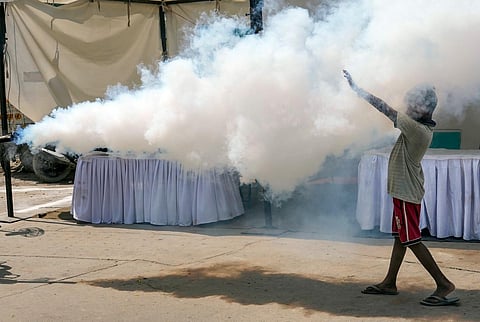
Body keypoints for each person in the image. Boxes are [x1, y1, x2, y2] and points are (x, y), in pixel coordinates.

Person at [343, 70, 458, 307]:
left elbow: (385, 109)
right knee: (401, 237)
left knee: (412, 239)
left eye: (414, 101)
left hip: (406, 193)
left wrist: (358, 89)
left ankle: (444, 284)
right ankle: (389, 282)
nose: (409, 104)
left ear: (425, 109)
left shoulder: (416, 129)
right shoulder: (418, 127)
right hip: (405, 192)